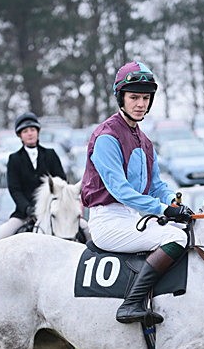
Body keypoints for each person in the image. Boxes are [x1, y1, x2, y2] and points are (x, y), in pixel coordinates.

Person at [81, 60, 194, 325]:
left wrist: (174, 203)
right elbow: (121, 191)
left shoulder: (145, 141)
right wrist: (163, 210)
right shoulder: (107, 136)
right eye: (134, 97)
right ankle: (131, 304)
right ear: (121, 98)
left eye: (145, 98)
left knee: (187, 231)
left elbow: (157, 186)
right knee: (176, 237)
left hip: (135, 218)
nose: (141, 104)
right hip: (108, 221)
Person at [0, 112, 67, 243]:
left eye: (32, 130)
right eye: (25, 131)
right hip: (25, 214)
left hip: (53, 212)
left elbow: (62, 182)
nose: (30, 134)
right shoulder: (14, 159)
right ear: (20, 135)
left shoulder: (51, 155)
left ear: (38, 132)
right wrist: (27, 209)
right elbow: (15, 190)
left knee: (85, 228)